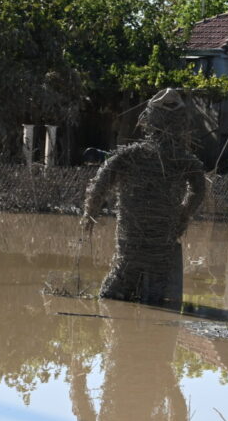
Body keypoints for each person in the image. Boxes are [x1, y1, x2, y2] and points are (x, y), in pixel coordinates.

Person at [81, 88, 207, 305]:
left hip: (141, 242)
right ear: (182, 124)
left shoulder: (132, 156)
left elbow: (100, 185)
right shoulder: (183, 161)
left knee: (115, 291)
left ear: (149, 119)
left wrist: (89, 215)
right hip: (155, 240)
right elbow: (198, 191)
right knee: (154, 296)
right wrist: (183, 215)